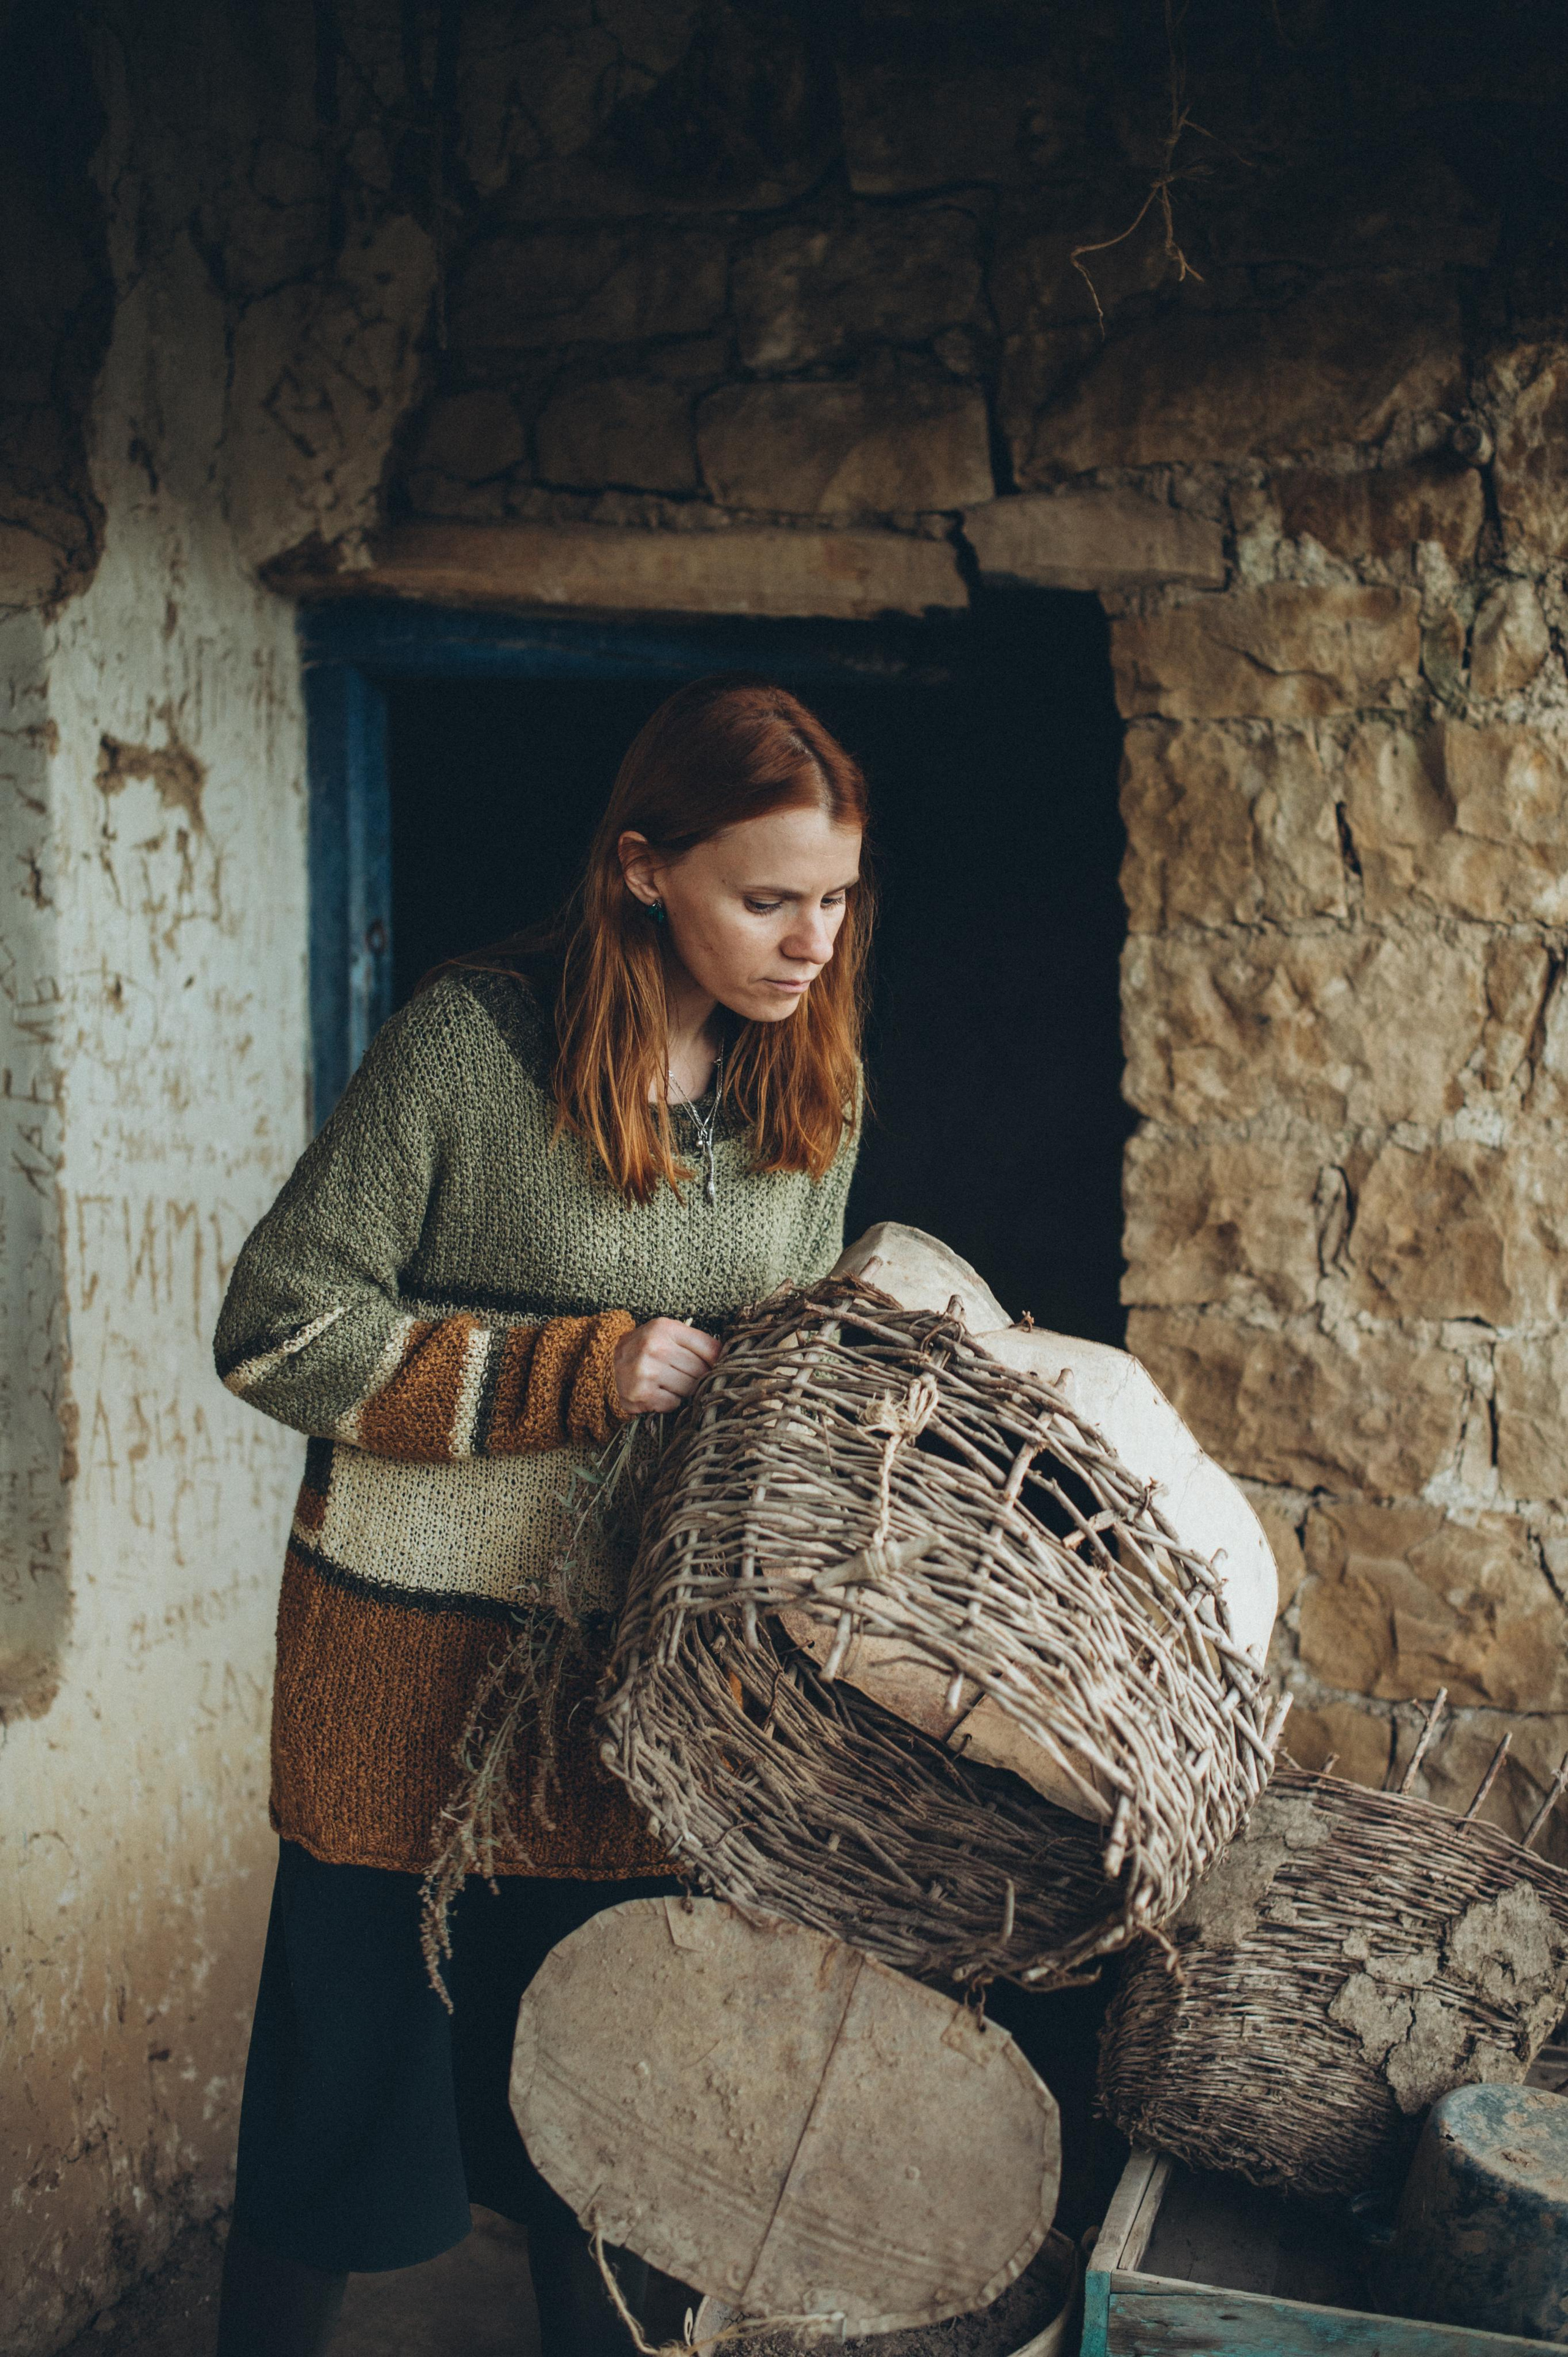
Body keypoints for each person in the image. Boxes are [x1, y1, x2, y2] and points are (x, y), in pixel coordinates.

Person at [210, 675, 870, 2356]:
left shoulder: (815, 1094)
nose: (811, 942)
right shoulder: (467, 1043)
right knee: (340, 2106)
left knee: (615, 2123)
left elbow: (771, 1381)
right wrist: (577, 1369)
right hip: (398, 1676)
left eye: (836, 899)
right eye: (769, 898)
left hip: (637, 1695)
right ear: (643, 868)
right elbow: (279, 1330)